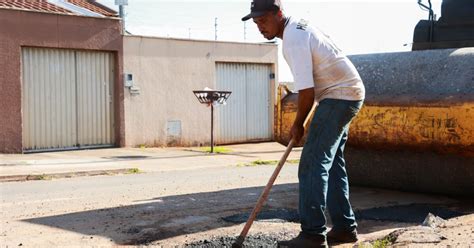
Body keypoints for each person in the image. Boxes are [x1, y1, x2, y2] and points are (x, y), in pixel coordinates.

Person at [242, 0, 366, 247]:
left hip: (338, 96)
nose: (260, 27)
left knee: (311, 164)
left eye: (263, 20)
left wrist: (298, 124)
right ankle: (344, 228)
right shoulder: (298, 28)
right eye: (256, 23)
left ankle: (312, 235)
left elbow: (307, 92)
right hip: (346, 93)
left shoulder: (293, 39)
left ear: (278, 13)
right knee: (332, 166)